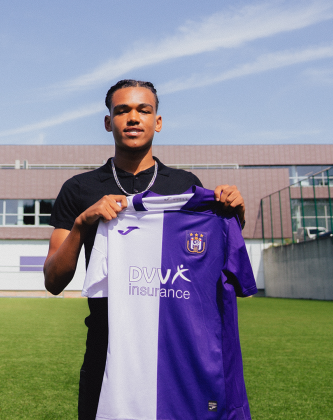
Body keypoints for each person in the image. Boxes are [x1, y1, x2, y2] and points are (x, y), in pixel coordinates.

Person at [43, 79, 246, 420]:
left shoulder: (186, 186)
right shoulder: (79, 188)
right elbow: (53, 280)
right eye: (122, 110)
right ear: (108, 122)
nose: (133, 118)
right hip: (107, 350)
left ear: (158, 121)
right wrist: (82, 223)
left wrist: (233, 215)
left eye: (143, 110)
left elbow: (215, 268)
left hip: (177, 349)